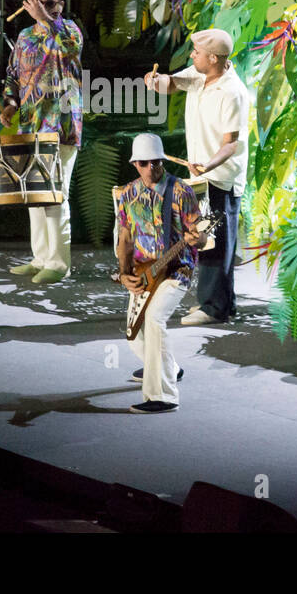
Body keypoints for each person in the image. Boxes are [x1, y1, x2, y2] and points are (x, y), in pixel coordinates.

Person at [144, 27, 249, 324]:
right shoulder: (200, 74)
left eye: (197, 52)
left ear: (213, 58)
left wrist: (209, 165)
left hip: (222, 175)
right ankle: (222, 303)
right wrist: (155, 82)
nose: (192, 55)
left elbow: (231, 143)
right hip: (205, 173)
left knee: (213, 239)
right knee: (212, 236)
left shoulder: (232, 92)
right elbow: (173, 83)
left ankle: (213, 307)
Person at [1, 0, 84, 285]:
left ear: (60, 5)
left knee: (55, 197)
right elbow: (13, 76)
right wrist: (10, 103)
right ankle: (41, 258)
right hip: (31, 125)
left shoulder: (69, 31)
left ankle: (59, 264)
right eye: (38, 2)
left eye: (50, 4)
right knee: (36, 195)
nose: (44, 8)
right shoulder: (24, 37)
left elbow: (70, 49)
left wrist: (46, 20)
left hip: (60, 126)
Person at [116, 133, 204, 413]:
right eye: (144, 163)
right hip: (145, 271)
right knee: (134, 336)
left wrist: (196, 239)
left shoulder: (180, 192)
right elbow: (125, 239)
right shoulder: (128, 194)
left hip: (177, 269)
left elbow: (200, 236)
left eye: (156, 162)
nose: (151, 168)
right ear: (135, 164)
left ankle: (164, 395)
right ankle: (169, 368)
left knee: (154, 320)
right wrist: (124, 273)